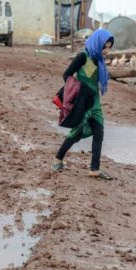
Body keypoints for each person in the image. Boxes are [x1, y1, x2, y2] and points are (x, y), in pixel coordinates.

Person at [53, 29, 114, 180]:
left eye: (109, 47)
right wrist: (77, 90)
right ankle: (58, 158)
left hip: (95, 102)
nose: (107, 50)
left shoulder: (98, 60)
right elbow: (66, 74)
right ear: (97, 44)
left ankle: (94, 169)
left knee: (99, 132)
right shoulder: (83, 57)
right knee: (76, 133)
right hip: (82, 101)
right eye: (104, 46)